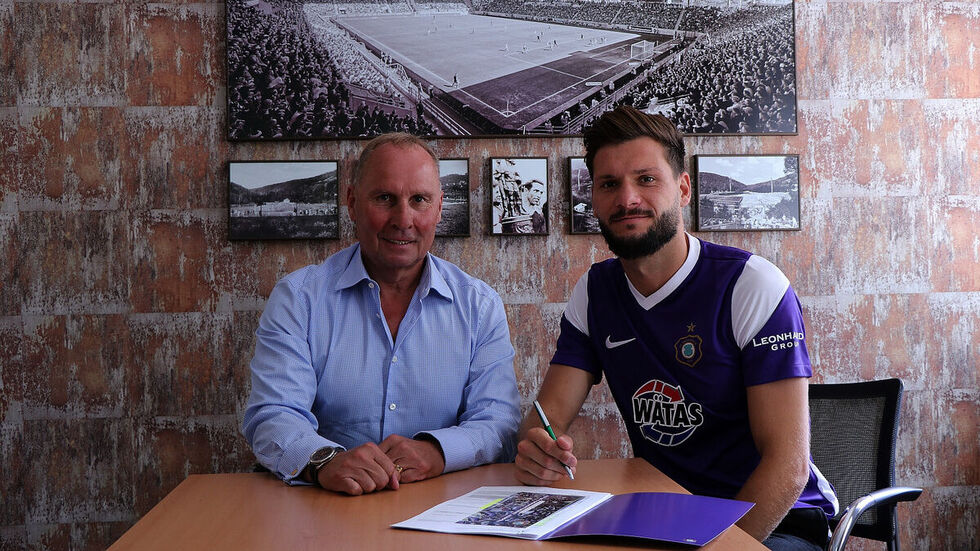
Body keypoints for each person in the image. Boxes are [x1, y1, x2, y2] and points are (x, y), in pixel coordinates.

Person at [513, 106, 837, 551]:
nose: (627, 199)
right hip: (667, 514)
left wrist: (719, 547)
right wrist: (537, 450)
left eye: (646, 179)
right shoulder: (594, 292)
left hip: (776, 521)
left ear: (683, 188)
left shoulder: (751, 285)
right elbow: (545, 420)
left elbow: (788, 465)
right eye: (609, 184)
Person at [243, 133, 521, 496]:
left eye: (419, 200)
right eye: (385, 198)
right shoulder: (299, 299)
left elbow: (499, 422)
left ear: (439, 209)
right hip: (328, 507)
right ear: (353, 204)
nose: (402, 219)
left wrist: (437, 452)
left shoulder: (479, 305)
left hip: (444, 509)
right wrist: (323, 461)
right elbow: (274, 414)